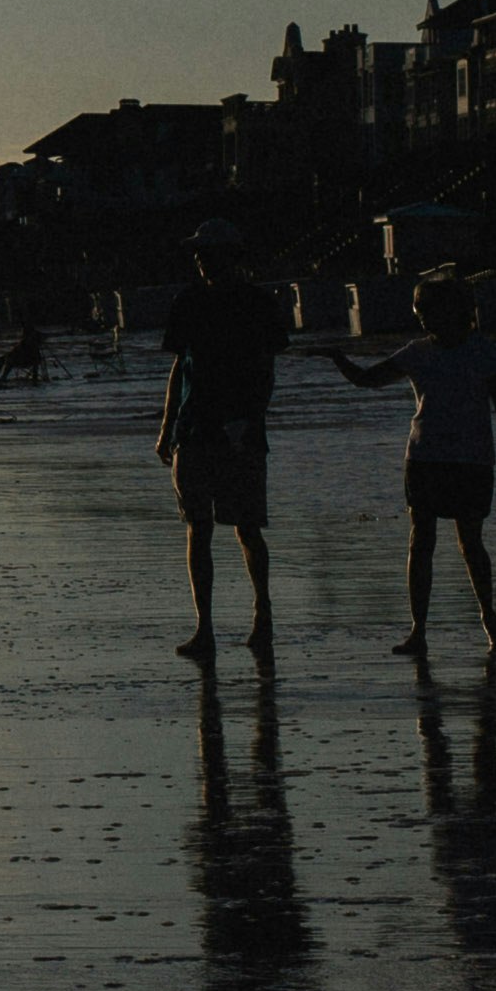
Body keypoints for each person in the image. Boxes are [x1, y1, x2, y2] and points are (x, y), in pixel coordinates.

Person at [333, 273, 496, 658]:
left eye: (428, 311)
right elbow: (367, 379)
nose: (424, 320)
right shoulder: (417, 352)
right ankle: (418, 631)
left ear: (456, 311)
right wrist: (337, 358)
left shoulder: (482, 352)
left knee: (470, 543)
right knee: (421, 541)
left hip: (472, 461)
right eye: (420, 313)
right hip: (424, 459)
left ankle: (490, 621)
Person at [151, 221, 289, 662]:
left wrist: (250, 420)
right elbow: (181, 367)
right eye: (198, 253)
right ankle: (204, 628)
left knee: (247, 527)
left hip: (240, 430)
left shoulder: (257, 303)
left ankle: (262, 615)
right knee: (199, 528)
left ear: (231, 255)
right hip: (194, 428)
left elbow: (266, 369)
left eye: (207, 252)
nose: (200, 259)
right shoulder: (188, 301)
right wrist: (167, 425)